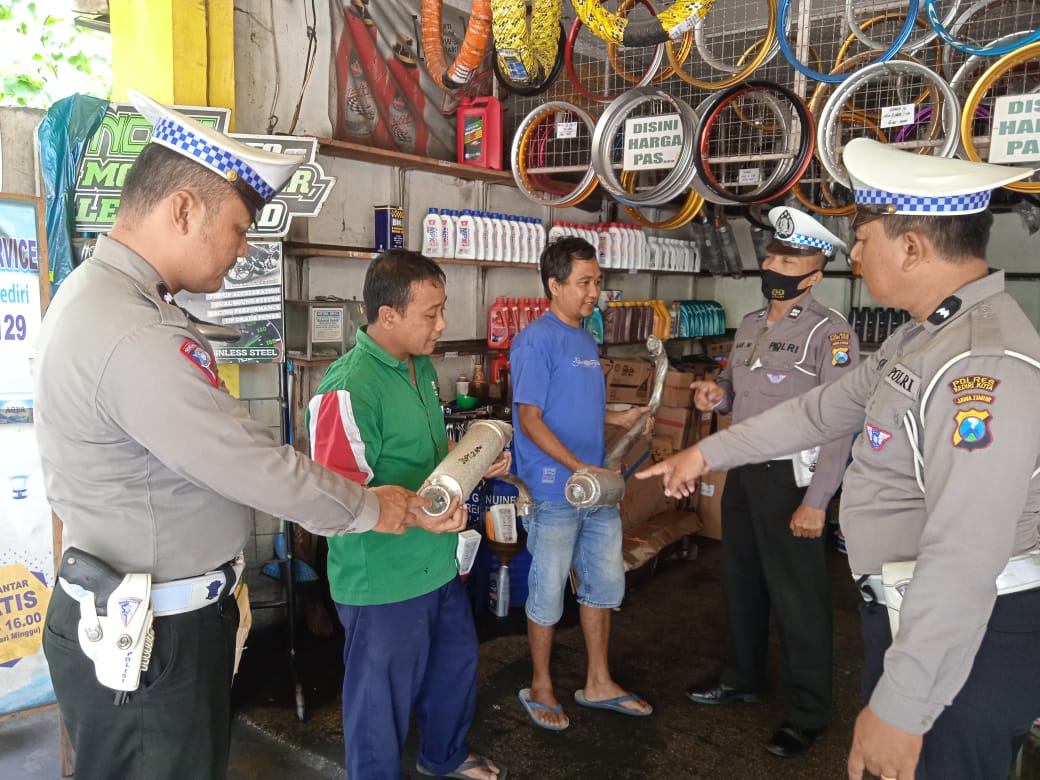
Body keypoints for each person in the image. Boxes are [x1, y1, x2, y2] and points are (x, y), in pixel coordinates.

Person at [34, 91, 440, 780]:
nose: (244, 247)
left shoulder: (101, 299)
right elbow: (248, 463)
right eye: (238, 227)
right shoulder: (134, 332)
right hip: (154, 643)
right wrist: (371, 507)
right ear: (183, 210)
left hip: (145, 622)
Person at [638, 138, 1040, 780]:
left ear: (912, 247)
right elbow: (820, 411)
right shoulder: (922, 337)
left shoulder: (979, 365)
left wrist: (902, 708)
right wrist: (704, 454)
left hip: (970, 638)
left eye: (863, 238)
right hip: (915, 617)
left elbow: (965, 554)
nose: (851, 254)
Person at [307, 249, 508, 780]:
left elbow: (430, 454)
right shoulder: (348, 388)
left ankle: (443, 755)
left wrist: (473, 461)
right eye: (430, 314)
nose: (441, 324)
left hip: (436, 561)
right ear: (388, 315)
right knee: (379, 702)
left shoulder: (420, 367)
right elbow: (333, 497)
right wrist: (419, 517)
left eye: (442, 311)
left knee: (454, 665)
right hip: (383, 578)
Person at [684, 208, 859, 757]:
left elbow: (840, 424)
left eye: (789, 261)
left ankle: (808, 713)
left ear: (814, 274)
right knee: (740, 582)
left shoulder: (831, 333)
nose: (774, 267)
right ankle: (743, 678)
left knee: (798, 597)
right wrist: (716, 394)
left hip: (791, 481)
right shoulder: (751, 324)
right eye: (773, 257)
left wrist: (818, 501)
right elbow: (734, 389)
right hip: (743, 473)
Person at [511, 236, 653, 731]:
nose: (595, 292)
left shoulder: (586, 338)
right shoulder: (536, 340)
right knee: (548, 590)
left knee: (603, 585)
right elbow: (530, 418)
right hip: (556, 489)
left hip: (596, 487)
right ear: (555, 285)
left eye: (598, 281)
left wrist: (621, 416)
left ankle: (598, 682)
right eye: (585, 282)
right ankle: (540, 685)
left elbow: (575, 406)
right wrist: (577, 466)